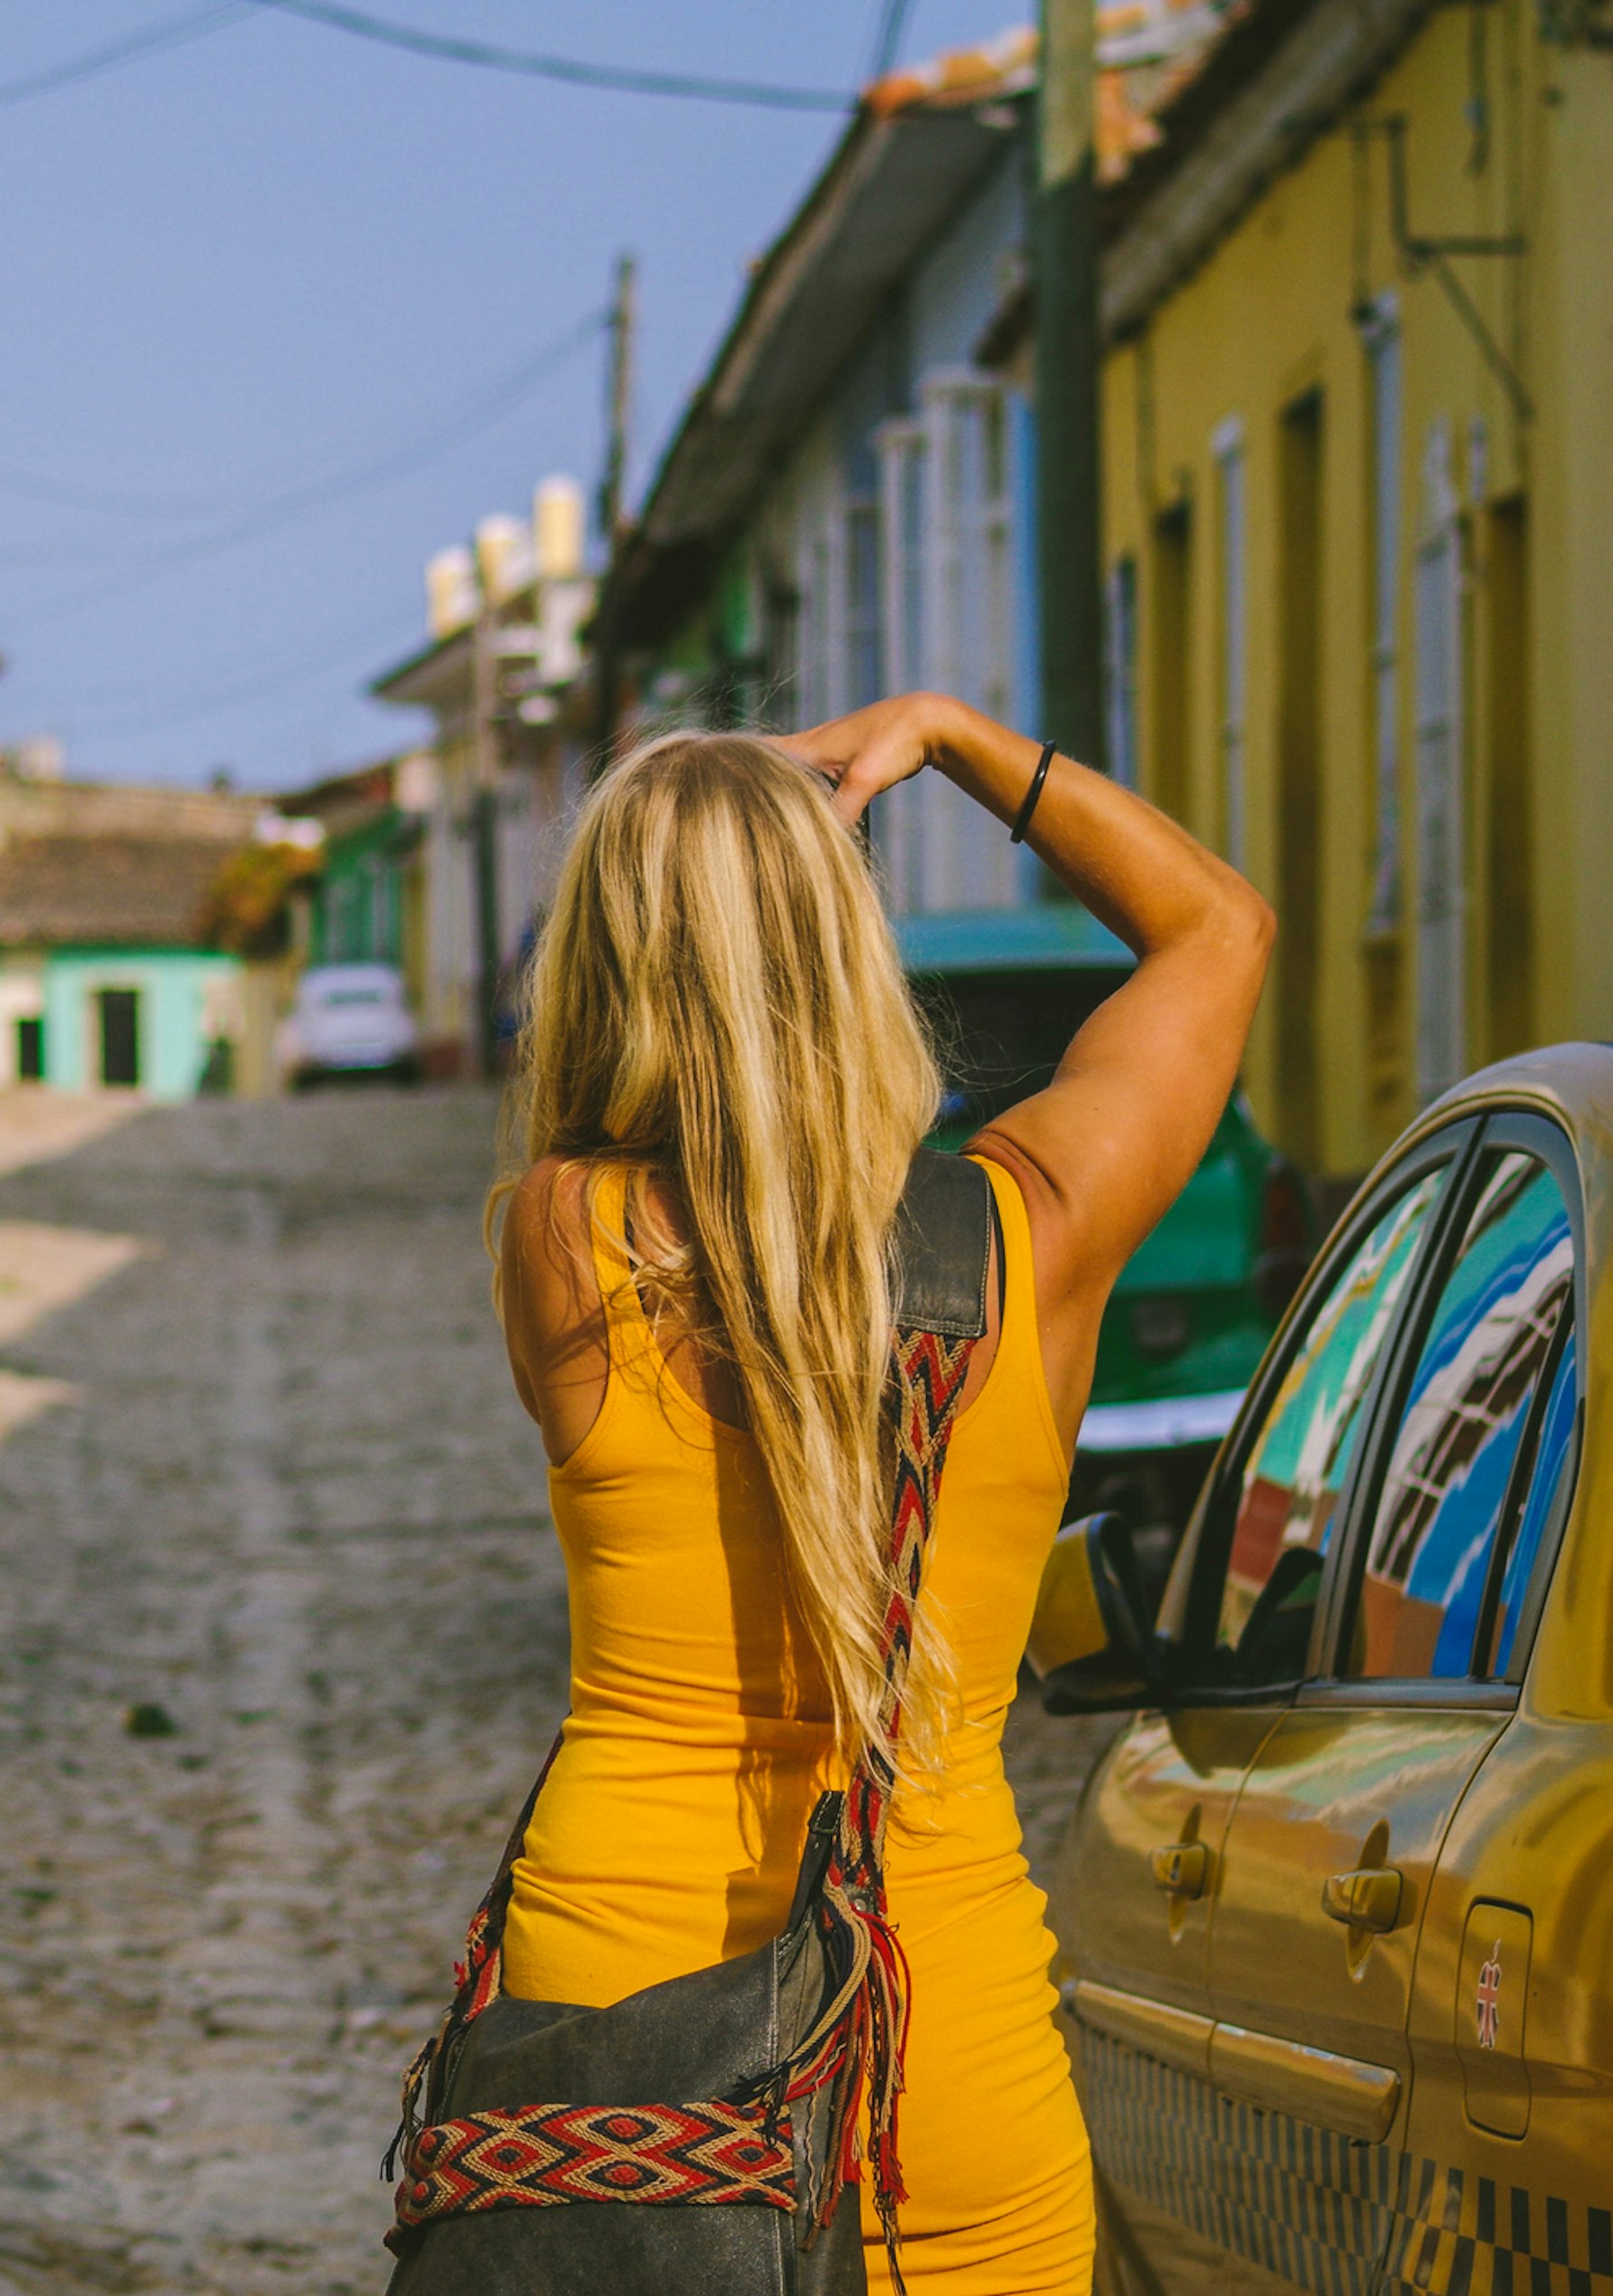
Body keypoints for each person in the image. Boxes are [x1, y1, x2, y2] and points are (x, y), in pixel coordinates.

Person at [485, 695, 1269, 2293]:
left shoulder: (560, 1232)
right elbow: (1217, 928)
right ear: (847, 944)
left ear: (605, 959)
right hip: (936, 2026)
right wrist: (960, 740)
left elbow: (700, 1180)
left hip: (620, 2013)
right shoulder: (1033, 1227)